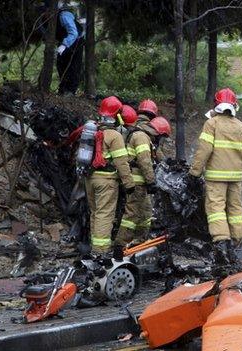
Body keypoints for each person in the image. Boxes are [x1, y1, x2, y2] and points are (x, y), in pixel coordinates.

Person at [189, 88, 242, 262]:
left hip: (216, 177)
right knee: (236, 209)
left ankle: (221, 242)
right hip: (235, 178)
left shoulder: (212, 124)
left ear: (217, 104)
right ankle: (238, 241)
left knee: (216, 209)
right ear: (234, 105)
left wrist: (195, 172)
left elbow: (204, 150)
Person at [85, 96, 135, 256]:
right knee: (104, 215)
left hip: (89, 179)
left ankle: (95, 247)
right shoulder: (114, 135)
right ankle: (101, 251)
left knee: (95, 212)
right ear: (117, 115)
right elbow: (122, 163)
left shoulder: (92, 130)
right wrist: (129, 184)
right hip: (106, 181)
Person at [116, 108, 171, 247]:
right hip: (136, 182)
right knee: (132, 214)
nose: (161, 139)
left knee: (146, 212)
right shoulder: (141, 137)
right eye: (162, 136)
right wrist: (151, 181)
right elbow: (144, 162)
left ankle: (140, 241)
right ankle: (121, 245)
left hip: (141, 183)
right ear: (157, 132)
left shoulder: (145, 136)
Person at [54, 2, 84, 95]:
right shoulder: (49, 19)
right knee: (61, 64)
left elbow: (73, 33)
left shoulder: (64, 16)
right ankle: (63, 89)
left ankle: (70, 91)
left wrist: (64, 45)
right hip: (65, 40)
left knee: (73, 66)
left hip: (76, 40)